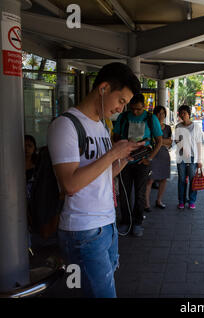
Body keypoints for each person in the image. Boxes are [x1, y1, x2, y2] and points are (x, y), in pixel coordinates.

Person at [47, 62, 143, 298]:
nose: (121, 109)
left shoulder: (101, 125)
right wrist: (112, 154)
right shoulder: (65, 125)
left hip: (106, 225)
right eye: (120, 101)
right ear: (103, 89)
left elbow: (103, 175)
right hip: (82, 230)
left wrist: (125, 159)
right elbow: (70, 184)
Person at [113, 94, 163, 236]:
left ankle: (137, 222)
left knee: (140, 194)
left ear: (144, 107)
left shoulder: (150, 118)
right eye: (133, 109)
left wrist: (150, 158)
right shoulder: (123, 117)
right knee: (124, 193)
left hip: (142, 162)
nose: (135, 112)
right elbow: (115, 138)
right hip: (124, 162)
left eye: (139, 109)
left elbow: (159, 141)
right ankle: (125, 222)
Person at [174, 105, 203, 210]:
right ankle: (181, 201)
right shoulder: (178, 126)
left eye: (185, 113)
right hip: (181, 158)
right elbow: (176, 141)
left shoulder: (196, 127)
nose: (183, 115)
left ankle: (191, 201)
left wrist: (199, 160)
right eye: (181, 113)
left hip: (192, 158)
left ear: (189, 114)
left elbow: (199, 143)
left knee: (192, 179)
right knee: (181, 179)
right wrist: (183, 149)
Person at [144, 106, 172, 210]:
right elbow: (150, 140)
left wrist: (159, 141)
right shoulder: (150, 126)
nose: (161, 116)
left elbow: (170, 142)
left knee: (163, 179)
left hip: (164, 155)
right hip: (152, 155)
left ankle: (159, 200)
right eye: (159, 113)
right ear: (154, 115)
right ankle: (146, 204)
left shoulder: (168, 128)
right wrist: (163, 141)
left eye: (163, 114)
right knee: (150, 180)